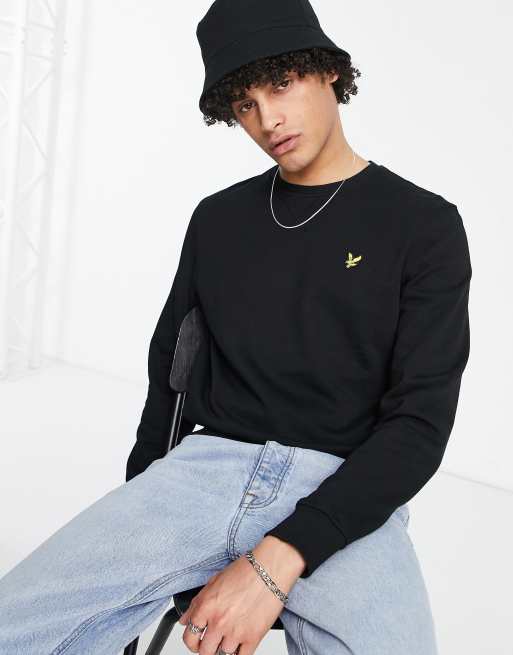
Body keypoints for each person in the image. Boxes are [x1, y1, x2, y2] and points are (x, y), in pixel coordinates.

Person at [0, 1, 472, 654]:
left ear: (328, 71)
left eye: (281, 84)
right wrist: (138, 542)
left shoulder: (423, 225)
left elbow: (419, 424)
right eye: (245, 104)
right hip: (201, 472)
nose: (267, 118)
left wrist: (280, 557)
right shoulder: (217, 219)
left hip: (343, 484)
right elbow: (168, 381)